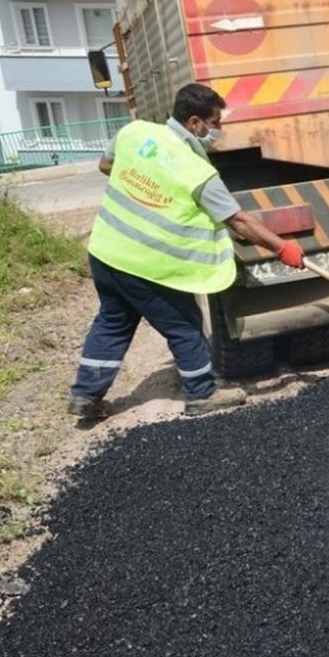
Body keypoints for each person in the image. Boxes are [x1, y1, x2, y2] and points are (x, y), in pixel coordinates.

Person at [68, 83, 306, 419]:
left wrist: (145, 187)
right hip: (145, 264)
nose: (218, 130)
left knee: (113, 321)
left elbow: (106, 165)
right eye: (215, 122)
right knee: (184, 324)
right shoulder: (196, 171)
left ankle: (85, 394)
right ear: (194, 123)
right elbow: (239, 221)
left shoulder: (136, 133)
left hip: (106, 252)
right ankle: (202, 392)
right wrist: (283, 249)